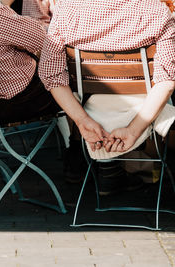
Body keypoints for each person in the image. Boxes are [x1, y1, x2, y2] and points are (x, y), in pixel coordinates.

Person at [39, 0, 175, 195]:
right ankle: (145, 172)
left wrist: (82, 120)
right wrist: (134, 130)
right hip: (146, 111)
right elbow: (167, 81)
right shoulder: (157, 11)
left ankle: (112, 169)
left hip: (90, 111)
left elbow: (51, 76)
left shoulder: (66, 11)